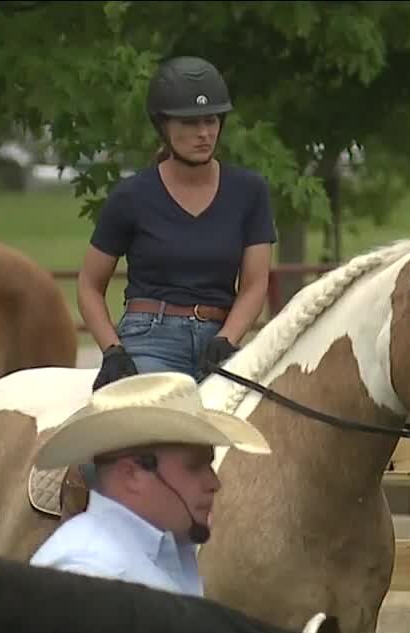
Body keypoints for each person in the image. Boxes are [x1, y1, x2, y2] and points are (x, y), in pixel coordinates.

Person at [77, 55, 278, 391]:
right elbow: (89, 284)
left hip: (221, 343)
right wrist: (112, 350)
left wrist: (228, 338)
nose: (204, 133)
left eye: (211, 121)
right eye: (189, 123)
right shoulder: (131, 196)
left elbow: (255, 284)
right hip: (149, 339)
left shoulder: (250, 191)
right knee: (159, 434)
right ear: (163, 126)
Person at [29, 371, 271, 596]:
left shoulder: (171, 549)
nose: (214, 483)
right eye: (195, 466)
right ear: (132, 474)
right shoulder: (94, 574)